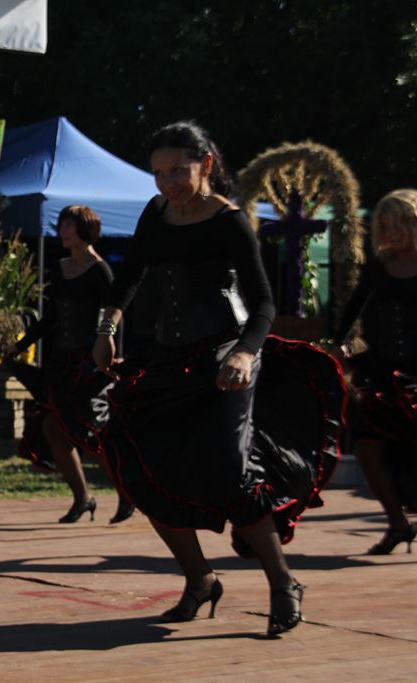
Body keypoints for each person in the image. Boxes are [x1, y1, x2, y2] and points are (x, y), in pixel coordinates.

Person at [92, 122, 345, 637]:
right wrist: (107, 327)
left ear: (205, 164)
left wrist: (247, 353)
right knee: (139, 462)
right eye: (158, 174)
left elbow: (264, 303)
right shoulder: (155, 212)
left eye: (178, 172)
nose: (167, 183)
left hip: (226, 358)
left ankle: (282, 583)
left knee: (230, 470)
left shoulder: (229, 222)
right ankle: (200, 579)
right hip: (167, 357)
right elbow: (131, 275)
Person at [4, 205, 134, 525]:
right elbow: (51, 318)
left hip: (88, 364)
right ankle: (83, 498)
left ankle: (128, 493)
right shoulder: (59, 267)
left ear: (84, 229)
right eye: (61, 225)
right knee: (52, 429)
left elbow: (113, 314)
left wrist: (110, 352)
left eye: (69, 226)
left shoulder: (100, 269)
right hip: (60, 362)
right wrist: (19, 346)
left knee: (90, 433)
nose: (62, 231)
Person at [335, 188, 417, 554]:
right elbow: (354, 311)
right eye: (384, 225)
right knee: (367, 447)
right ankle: (397, 523)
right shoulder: (379, 266)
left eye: (397, 225)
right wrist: (341, 345)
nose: (390, 233)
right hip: (381, 371)